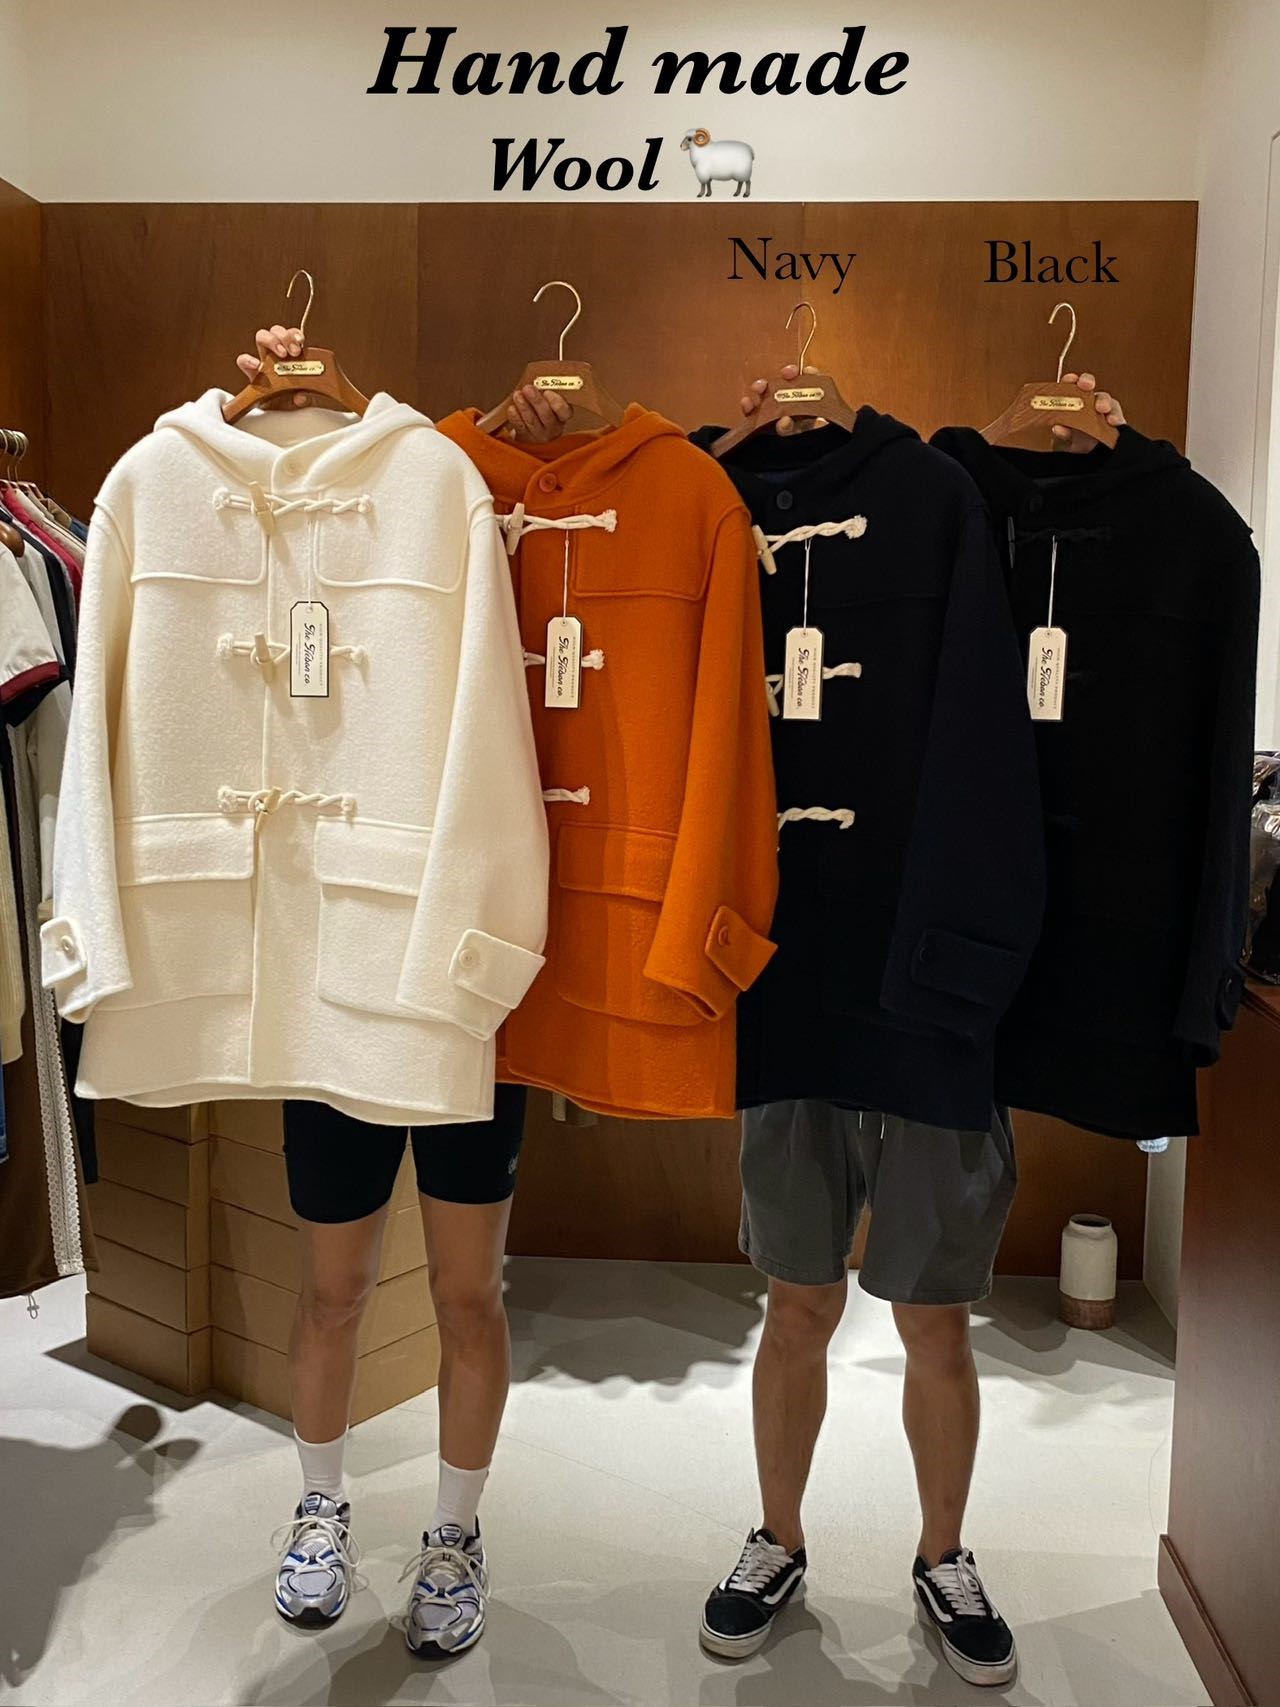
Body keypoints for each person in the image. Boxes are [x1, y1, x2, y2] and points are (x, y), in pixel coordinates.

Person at [697, 367, 1126, 1690]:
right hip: (785, 971)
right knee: (795, 1300)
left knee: (937, 1315)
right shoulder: (709, 501)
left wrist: (964, 957)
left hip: (929, 973)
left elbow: (988, 741)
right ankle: (777, 1539)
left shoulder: (932, 501)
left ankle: (945, 1555)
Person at [234, 325, 569, 1658]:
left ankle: (454, 1533)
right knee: (331, 1289)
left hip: (455, 983)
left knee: (468, 1295)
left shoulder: (441, 497)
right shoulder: (247, 512)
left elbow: (493, 741)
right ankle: (318, 1511)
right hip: (332, 981)